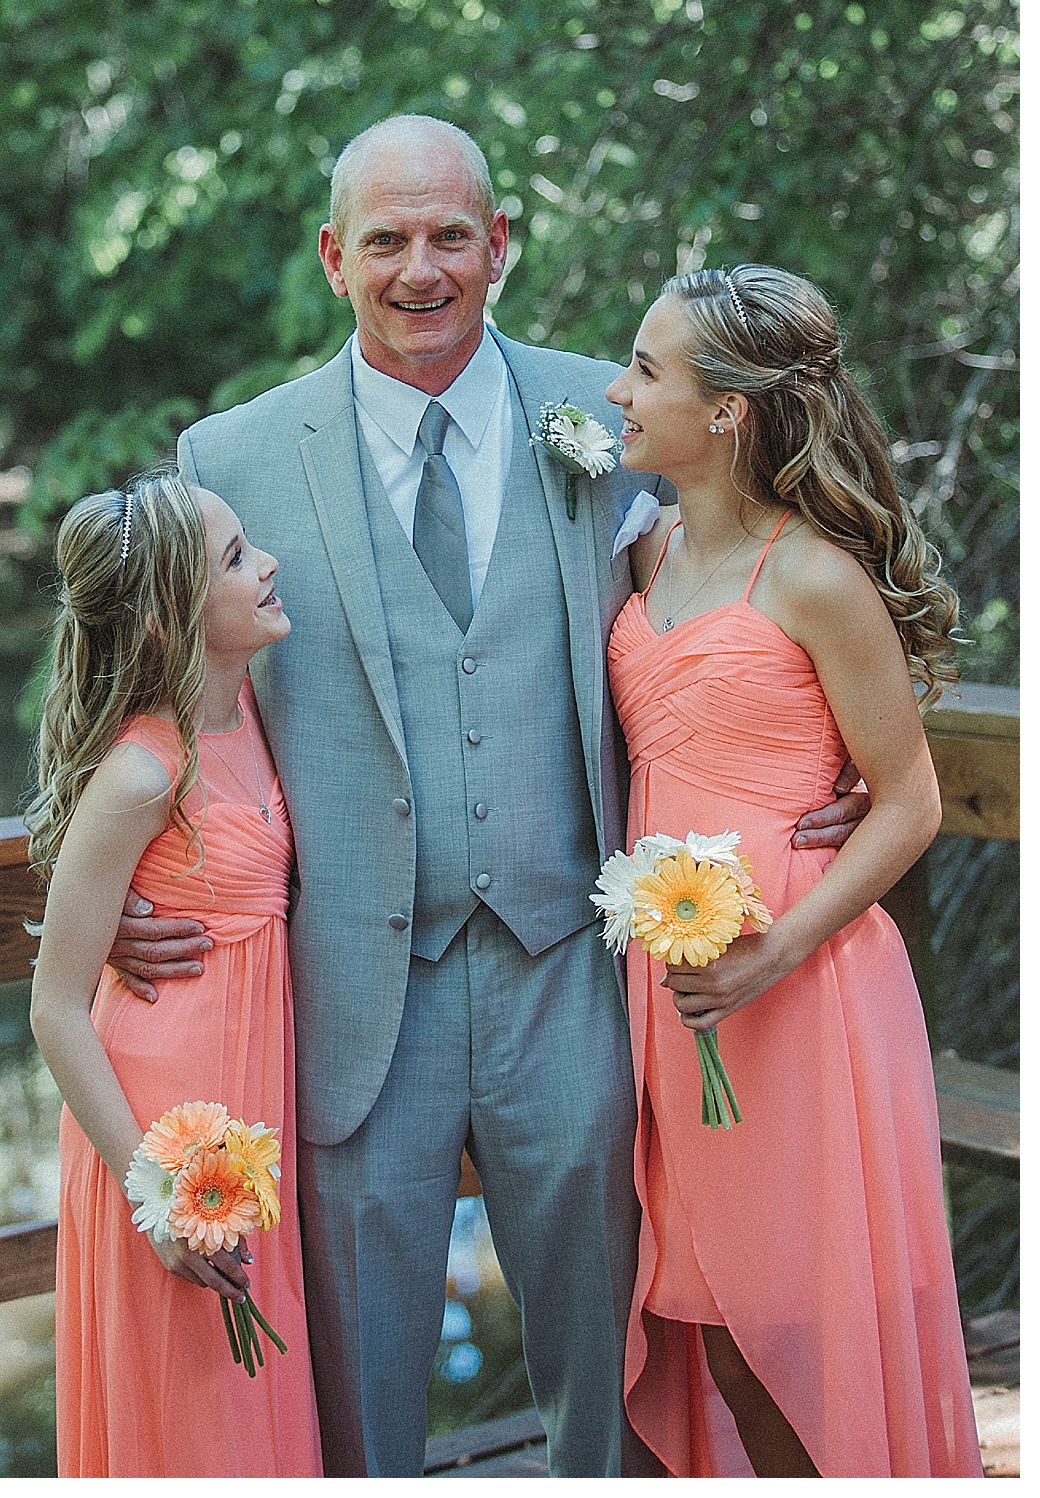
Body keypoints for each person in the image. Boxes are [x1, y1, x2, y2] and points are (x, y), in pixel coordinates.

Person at [109, 115, 869, 1476]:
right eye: (387, 240)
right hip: (349, 994)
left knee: (619, 1358)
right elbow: (131, 701)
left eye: (450, 234)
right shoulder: (230, 457)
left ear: (498, 245)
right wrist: (105, 890)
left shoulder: (618, 412)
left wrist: (847, 753)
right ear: (334, 256)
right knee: (356, 1385)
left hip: (570, 971)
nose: (421, 268)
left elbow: (760, 576)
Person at [604, 263, 980, 1476]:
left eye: (648, 370)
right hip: (676, 987)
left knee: (800, 1321)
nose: (618, 388)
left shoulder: (815, 573)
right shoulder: (643, 547)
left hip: (801, 986)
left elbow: (909, 798)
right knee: (710, 1317)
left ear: (727, 413)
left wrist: (782, 941)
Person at [26, 468, 321, 1477]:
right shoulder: (143, 771)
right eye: (236, 558)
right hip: (160, 1121)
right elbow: (55, 1005)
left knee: (245, 1396)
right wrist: (153, 1193)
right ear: (164, 619)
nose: (268, 562)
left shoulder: (252, 721)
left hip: (252, 1093)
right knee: (187, 1402)